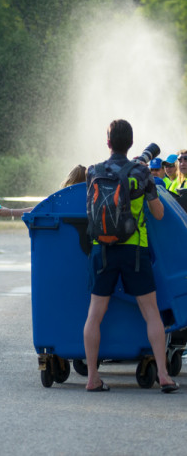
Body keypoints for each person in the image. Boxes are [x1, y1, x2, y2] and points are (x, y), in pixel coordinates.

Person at [83, 119, 178, 393]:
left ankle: (92, 378)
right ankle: (163, 375)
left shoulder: (93, 171)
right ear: (132, 143)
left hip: (101, 248)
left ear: (108, 142)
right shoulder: (141, 172)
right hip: (134, 250)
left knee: (94, 314)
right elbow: (159, 214)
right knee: (151, 313)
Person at [0, 164, 87, 218]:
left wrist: (10, 212)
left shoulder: (61, 200)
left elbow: (36, 210)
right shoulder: (94, 199)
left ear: (70, 182)